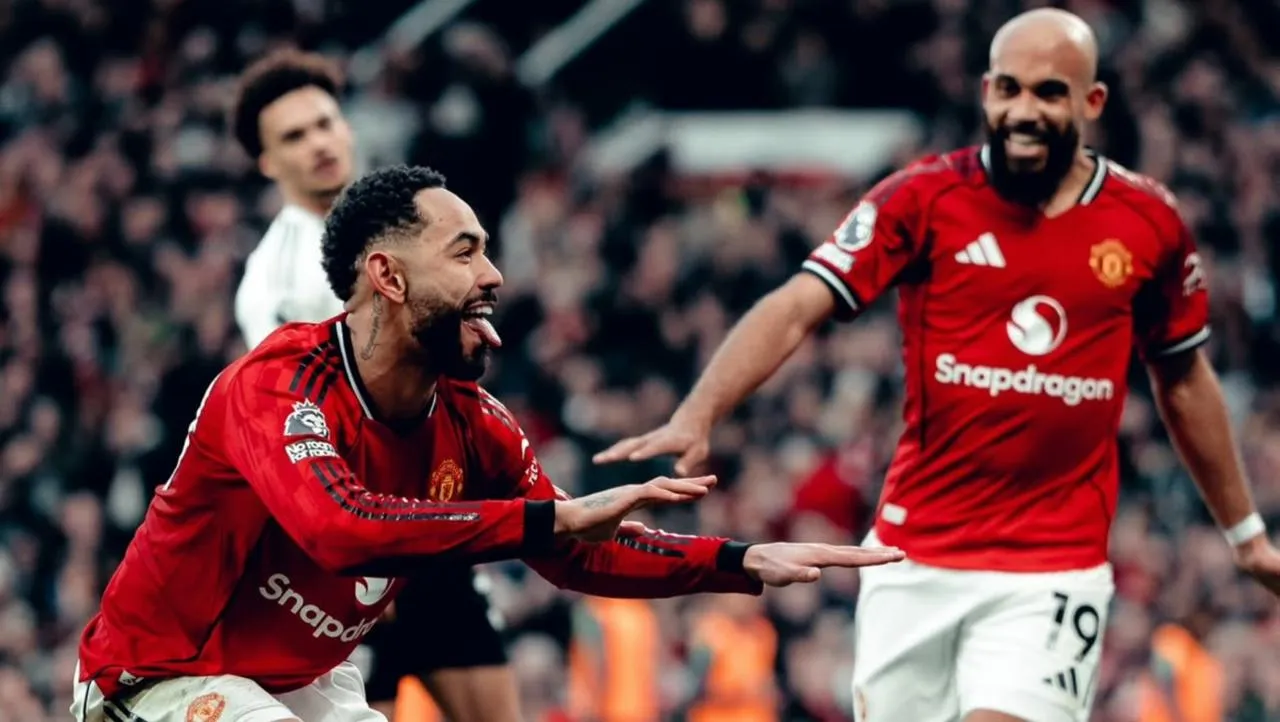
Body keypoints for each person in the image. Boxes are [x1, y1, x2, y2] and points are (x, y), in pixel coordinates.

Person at [595, 9, 1280, 722]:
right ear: (985, 92)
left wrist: (1245, 536)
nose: (1023, 110)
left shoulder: (1148, 222)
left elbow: (1183, 378)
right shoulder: (923, 198)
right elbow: (799, 302)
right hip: (912, 561)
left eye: (1048, 92)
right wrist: (697, 412)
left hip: (1053, 570)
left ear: (1092, 103)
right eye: (1008, 89)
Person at [70, 164, 905, 722]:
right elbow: (341, 529)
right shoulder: (277, 385)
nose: (493, 275)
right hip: (158, 679)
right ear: (388, 277)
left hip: (296, 685)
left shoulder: (473, 423)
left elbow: (577, 553)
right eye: (465, 252)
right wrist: (547, 522)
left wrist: (736, 561)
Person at [228, 48, 515, 722]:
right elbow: (294, 427)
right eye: (294, 137)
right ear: (268, 163)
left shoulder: (413, 228)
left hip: (435, 530)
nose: (320, 144)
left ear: (348, 126)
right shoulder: (278, 278)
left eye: (326, 123)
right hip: (362, 550)